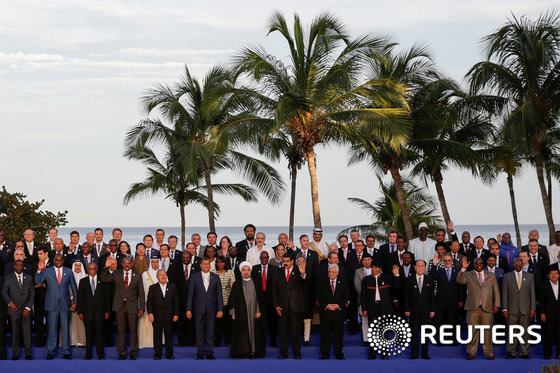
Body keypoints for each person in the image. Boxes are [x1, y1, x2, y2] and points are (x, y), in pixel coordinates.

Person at [101, 256, 145, 360]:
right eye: (124, 263)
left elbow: (141, 293)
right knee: (120, 331)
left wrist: (142, 308)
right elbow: (104, 278)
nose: (126, 265)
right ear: (122, 264)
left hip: (132, 307)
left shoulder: (137, 275)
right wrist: (105, 267)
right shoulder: (117, 273)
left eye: (128, 263)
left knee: (133, 331)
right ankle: (122, 353)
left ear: (132, 264)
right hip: (119, 306)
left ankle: (133, 353)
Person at [456, 257, 500, 360]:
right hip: (472, 307)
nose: (479, 265)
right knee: (472, 331)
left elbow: (496, 292)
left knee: (488, 331)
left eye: (481, 263)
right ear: (473, 265)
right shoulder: (467, 274)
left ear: (484, 264)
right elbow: (459, 280)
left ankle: (489, 352)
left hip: (487, 307)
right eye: (476, 263)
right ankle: (472, 352)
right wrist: (463, 268)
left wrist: (497, 304)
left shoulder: (491, 275)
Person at [35, 254, 78, 360]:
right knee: (52, 329)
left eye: (60, 259)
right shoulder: (47, 271)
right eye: (56, 259)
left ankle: (66, 352)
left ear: (63, 261)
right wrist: (39, 270)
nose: (58, 261)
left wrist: (75, 302)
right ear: (53, 260)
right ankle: (51, 351)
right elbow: (38, 281)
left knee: (65, 329)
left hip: (65, 304)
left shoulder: (68, 271)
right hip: (52, 304)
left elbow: (73, 287)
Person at [361, 258, 400, 359]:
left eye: (376, 268)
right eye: (372, 268)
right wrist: (364, 309)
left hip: (385, 308)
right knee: (373, 332)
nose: (374, 270)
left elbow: (397, 287)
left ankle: (384, 353)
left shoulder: (387, 278)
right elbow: (363, 296)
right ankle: (372, 354)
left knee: (384, 331)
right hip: (372, 308)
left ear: (380, 269)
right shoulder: (366, 280)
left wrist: (396, 275)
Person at [186, 258, 224, 360]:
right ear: (201, 265)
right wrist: (188, 309)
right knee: (199, 331)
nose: (206, 266)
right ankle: (200, 352)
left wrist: (220, 309)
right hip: (198, 308)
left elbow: (219, 295)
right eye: (204, 264)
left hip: (212, 309)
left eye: (208, 264)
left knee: (211, 332)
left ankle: (210, 352)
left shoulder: (215, 277)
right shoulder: (194, 277)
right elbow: (190, 294)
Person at [272, 253, 308, 359]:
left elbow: (306, 283)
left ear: (292, 261)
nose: (285, 263)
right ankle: (284, 353)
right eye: (284, 261)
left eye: (287, 261)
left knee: (296, 331)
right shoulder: (277, 272)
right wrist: (276, 305)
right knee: (283, 332)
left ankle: (297, 353)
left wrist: (303, 273)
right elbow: (274, 290)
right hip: (282, 307)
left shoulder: (299, 271)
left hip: (295, 306)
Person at [230, 261, 267, 359]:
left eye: (248, 270)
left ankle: (253, 352)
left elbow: (260, 298)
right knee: (241, 332)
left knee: (253, 332)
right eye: (244, 270)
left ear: (250, 271)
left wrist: (258, 310)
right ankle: (240, 352)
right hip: (240, 312)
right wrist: (233, 312)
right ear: (241, 272)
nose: (246, 272)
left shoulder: (256, 282)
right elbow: (232, 299)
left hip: (253, 311)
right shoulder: (237, 283)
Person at [502, 257, 536, 359]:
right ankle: (512, 352)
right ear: (513, 265)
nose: (518, 264)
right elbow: (504, 294)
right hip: (511, 308)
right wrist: (504, 309)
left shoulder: (530, 276)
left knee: (525, 332)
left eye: (520, 262)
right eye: (516, 262)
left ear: (522, 264)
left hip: (525, 309)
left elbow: (532, 294)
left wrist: (532, 309)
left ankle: (524, 352)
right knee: (512, 331)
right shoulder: (506, 277)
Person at [2, 260, 34, 360]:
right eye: (17, 265)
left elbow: (32, 294)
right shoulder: (8, 278)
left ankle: (28, 354)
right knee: (15, 333)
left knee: (27, 333)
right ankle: (15, 354)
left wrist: (28, 307)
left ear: (23, 267)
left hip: (26, 310)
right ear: (14, 267)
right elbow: (4, 292)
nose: (19, 267)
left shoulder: (29, 278)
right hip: (14, 310)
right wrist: (10, 303)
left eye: (21, 265)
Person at [77, 262, 110, 360]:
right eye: (90, 269)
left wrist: (107, 311)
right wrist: (80, 312)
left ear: (97, 270)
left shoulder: (103, 281)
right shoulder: (83, 281)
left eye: (94, 269)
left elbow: (107, 297)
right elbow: (80, 298)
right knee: (88, 335)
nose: (92, 271)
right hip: (87, 313)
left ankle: (100, 354)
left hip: (100, 312)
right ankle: (88, 354)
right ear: (88, 270)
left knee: (100, 334)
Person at [317, 264, 349, 360]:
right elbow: (319, 296)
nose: (331, 274)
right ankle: (325, 354)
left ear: (338, 273)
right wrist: (326, 305)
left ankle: (338, 353)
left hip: (338, 312)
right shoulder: (322, 282)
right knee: (325, 334)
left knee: (338, 334)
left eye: (333, 272)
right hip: (326, 312)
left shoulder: (343, 282)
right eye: (330, 272)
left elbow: (346, 297)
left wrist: (339, 305)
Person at [404, 259, 435, 359]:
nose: (420, 268)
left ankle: (425, 354)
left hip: (426, 312)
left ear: (425, 268)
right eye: (418, 266)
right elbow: (406, 296)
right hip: (413, 311)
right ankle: (414, 354)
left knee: (425, 334)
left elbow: (432, 297)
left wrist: (432, 310)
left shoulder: (429, 279)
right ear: (415, 267)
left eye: (422, 266)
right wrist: (407, 309)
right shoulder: (409, 279)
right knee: (414, 334)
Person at [429, 253, 463, 343]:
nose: (447, 262)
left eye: (449, 260)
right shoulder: (439, 271)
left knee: (452, 321)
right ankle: (441, 340)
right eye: (445, 260)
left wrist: (460, 300)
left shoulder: (457, 271)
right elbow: (431, 277)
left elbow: (461, 287)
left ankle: (452, 340)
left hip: (453, 301)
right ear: (443, 262)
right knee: (440, 322)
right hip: (441, 302)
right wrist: (434, 265)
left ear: (452, 261)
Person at [168, 250, 199, 346]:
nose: (186, 259)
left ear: (191, 258)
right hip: (179, 299)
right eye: (184, 257)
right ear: (181, 258)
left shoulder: (197, 268)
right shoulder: (175, 268)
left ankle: (192, 341)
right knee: (180, 321)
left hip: (193, 299)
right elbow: (172, 283)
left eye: (187, 257)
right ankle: (181, 341)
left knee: (192, 321)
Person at [147, 269, 179, 360]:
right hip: (156, 316)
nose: (163, 276)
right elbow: (149, 302)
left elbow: (176, 302)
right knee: (157, 336)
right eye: (161, 275)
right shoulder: (152, 287)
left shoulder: (172, 286)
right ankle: (158, 353)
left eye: (164, 274)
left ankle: (169, 354)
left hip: (169, 316)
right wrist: (150, 313)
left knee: (169, 335)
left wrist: (176, 314)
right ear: (157, 277)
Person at [251, 251, 277, 347]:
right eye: (262, 257)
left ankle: (273, 341)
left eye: (266, 257)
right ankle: (262, 341)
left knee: (273, 321)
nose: (264, 259)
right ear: (260, 258)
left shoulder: (274, 269)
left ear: (268, 258)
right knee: (261, 322)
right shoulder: (254, 269)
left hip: (271, 300)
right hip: (259, 300)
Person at [212, 256, 235, 346]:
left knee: (227, 324)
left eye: (222, 262)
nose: (220, 264)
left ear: (225, 263)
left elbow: (233, 287)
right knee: (216, 324)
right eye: (218, 262)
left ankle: (228, 341)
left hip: (227, 302)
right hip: (215, 303)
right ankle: (217, 341)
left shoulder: (230, 272)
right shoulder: (212, 272)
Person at [139, 258, 160, 349]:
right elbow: (142, 291)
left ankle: (159, 342)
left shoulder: (163, 273)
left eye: (156, 262)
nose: (155, 264)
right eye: (153, 262)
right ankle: (146, 343)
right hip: (148, 302)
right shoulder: (145, 274)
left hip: (160, 304)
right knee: (146, 323)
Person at [541, 267, 560, 359]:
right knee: (548, 335)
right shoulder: (544, 285)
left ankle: (559, 354)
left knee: (559, 335)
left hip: (559, 315)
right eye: (551, 274)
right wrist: (542, 313)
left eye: (555, 273)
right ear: (548, 276)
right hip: (548, 314)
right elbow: (541, 301)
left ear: (558, 275)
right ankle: (547, 354)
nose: (554, 275)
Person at [33, 246, 51, 347]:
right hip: (37, 297)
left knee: (49, 321)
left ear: (46, 253)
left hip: (49, 297)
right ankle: (40, 341)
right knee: (38, 320)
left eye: (41, 253)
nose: (39, 255)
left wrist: (44, 284)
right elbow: (32, 277)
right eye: (38, 254)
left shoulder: (53, 264)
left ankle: (50, 342)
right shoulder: (35, 264)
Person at [69, 261, 86, 347]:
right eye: (76, 266)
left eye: (79, 266)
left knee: (81, 323)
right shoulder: (69, 277)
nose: (78, 268)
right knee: (71, 322)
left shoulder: (86, 277)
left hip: (83, 304)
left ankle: (82, 341)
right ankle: (72, 341)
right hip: (71, 303)